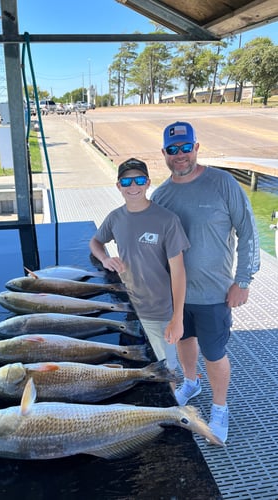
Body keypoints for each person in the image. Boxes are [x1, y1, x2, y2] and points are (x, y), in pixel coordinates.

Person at [151, 121, 260, 443]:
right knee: (184, 340)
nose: (180, 155)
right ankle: (190, 381)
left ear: (196, 148)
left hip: (215, 292)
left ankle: (220, 406)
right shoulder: (161, 195)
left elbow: (249, 231)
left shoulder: (223, 184)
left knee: (214, 353)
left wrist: (243, 280)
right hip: (177, 294)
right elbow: (154, 246)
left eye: (186, 148)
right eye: (173, 150)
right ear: (165, 154)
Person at [89, 157, 190, 373]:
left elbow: (179, 272)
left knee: (166, 371)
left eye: (139, 180)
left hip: (160, 312)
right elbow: (95, 242)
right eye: (126, 182)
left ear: (147, 183)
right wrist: (106, 258)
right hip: (128, 308)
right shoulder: (115, 218)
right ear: (118, 186)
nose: (133, 186)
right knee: (134, 366)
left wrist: (177, 318)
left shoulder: (167, 220)